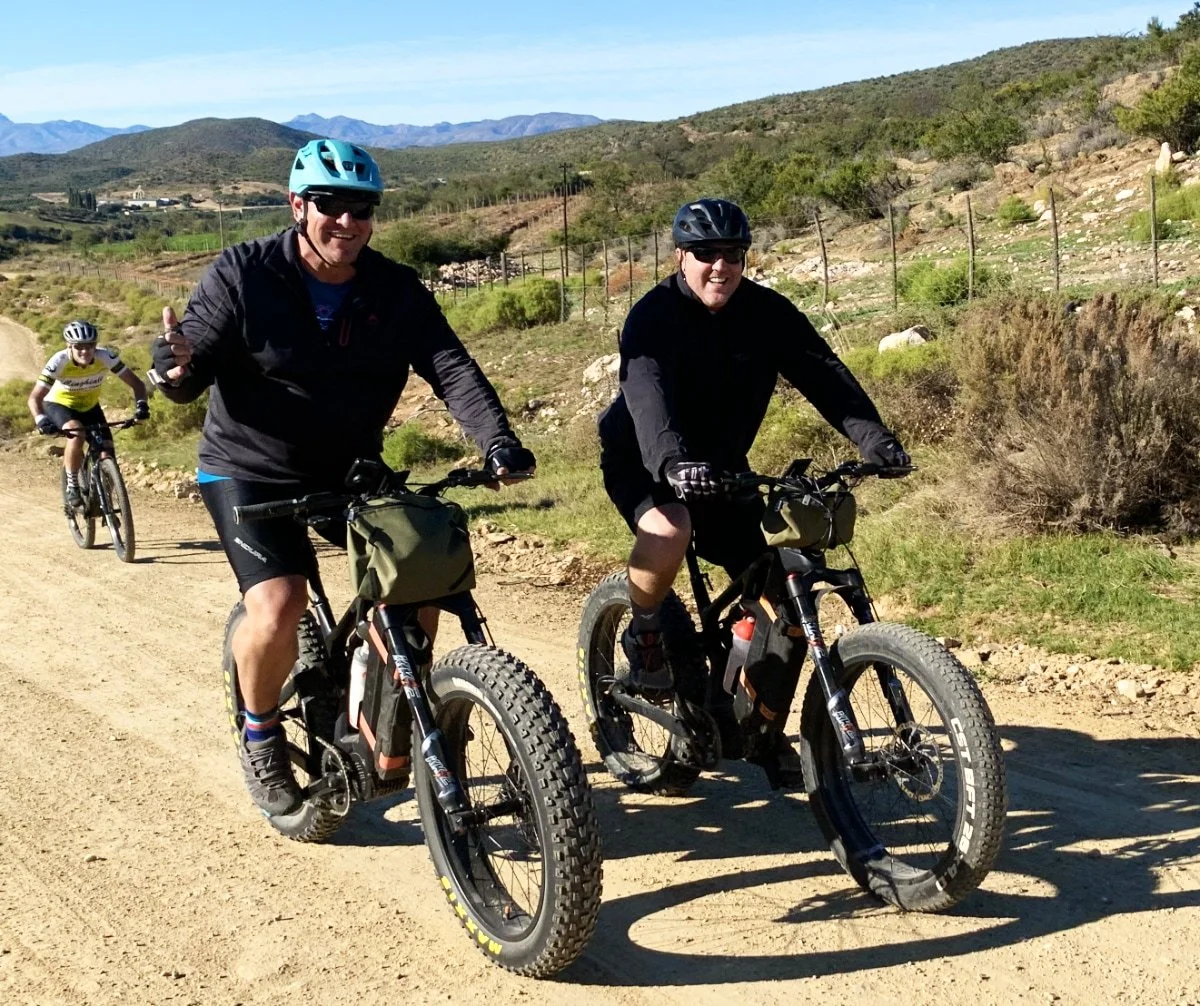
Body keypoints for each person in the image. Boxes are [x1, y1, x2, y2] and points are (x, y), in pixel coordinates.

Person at [150, 138, 534, 818]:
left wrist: (497, 440)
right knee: (280, 602)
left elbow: (450, 367)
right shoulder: (245, 273)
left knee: (418, 580)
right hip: (249, 468)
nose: (346, 222)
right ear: (299, 206)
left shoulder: (393, 289)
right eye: (331, 206)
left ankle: (393, 725)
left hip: (348, 464)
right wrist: (175, 368)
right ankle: (261, 733)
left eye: (361, 209)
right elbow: (194, 361)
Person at [596, 197, 909, 777]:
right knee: (670, 527)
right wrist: (671, 462)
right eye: (706, 254)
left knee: (782, 581)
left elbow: (824, 374)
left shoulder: (767, 312)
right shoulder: (653, 317)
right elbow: (648, 397)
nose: (720, 267)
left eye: (732, 255)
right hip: (644, 458)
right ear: (681, 256)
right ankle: (642, 631)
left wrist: (875, 440)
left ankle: (757, 723)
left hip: (721, 467)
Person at [29, 320, 149, 505]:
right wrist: (41, 420)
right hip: (59, 404)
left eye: (90, 346)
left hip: (90, 406)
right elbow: (34, 398)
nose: (85, 351)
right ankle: (72, 485)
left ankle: (105, 503)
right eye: (79, 347)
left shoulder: (105, 357)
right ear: (69, 346)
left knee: (106, 452)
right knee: (76, 433)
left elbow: (137, 384)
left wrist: (141, 406)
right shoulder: (59, 361)